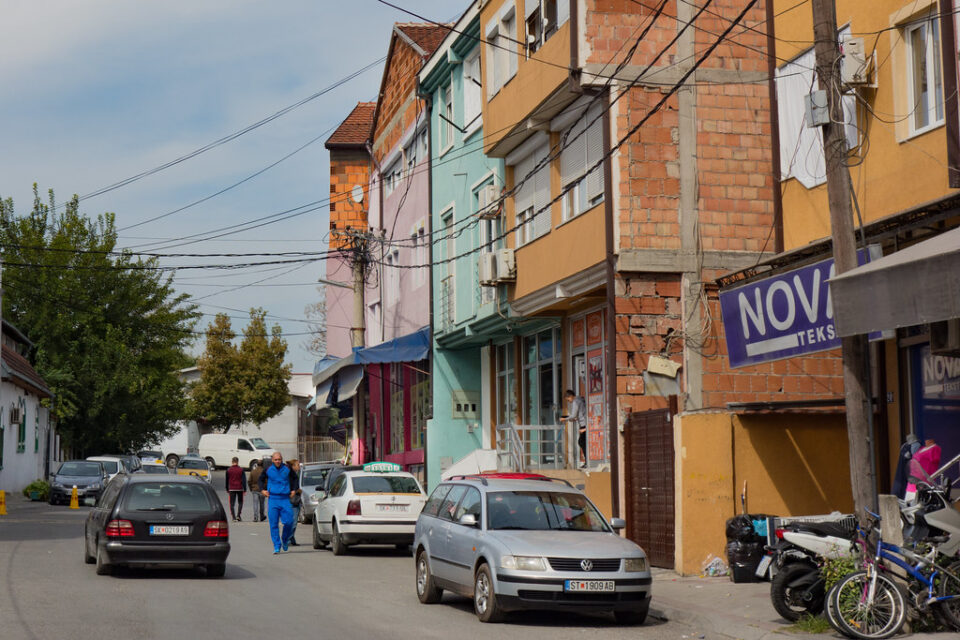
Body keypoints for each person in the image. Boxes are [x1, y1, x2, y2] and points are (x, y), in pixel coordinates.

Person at [260, 451, 300, 553]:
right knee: (273, 524)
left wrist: (294, 490)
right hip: (273, 499)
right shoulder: (268, 469)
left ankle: (285, 539)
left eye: (279, 459)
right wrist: (262, 490)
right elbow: (260, 479)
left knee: (289, 522)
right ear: (272, 460)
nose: (278, 461)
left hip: (285, 499)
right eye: (276, 460)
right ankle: (276, 545)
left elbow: (295, 478)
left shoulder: (287, 468)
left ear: (282, 460)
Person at [561, 389, 587, 468]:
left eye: (568, 399)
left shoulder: (576, 402)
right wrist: (573, 419)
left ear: (570, 396)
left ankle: (587, 462)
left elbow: (573, 415)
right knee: (583, 442)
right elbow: (579, 414)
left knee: (582, 442)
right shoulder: (580, 400)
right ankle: (587, 461)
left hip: (584, 425)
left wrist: (564, 419)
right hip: (584, 423)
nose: (569, 401)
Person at [225, 456, 247, 522]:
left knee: (232, 503)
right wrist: (245, 489)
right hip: (240, 488)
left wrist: (227, 488)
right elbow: (244, 480)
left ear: (232, 462)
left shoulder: (228, 470)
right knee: (240, 502)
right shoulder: (241, 470)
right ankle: (238, 515)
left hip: (231, 488)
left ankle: (233, 517)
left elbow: (227, 480)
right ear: (237, 462)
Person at [286, 459, 302, 546]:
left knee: (293, 521)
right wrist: (297, 490)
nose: (299, 466)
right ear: (293, 466)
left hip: (295, 500)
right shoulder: (290, 475)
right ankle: (287, 538)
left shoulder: (295, 474)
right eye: (297, 465)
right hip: (292, 500)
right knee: (294, 521)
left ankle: (292, 539)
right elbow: (290, 487)